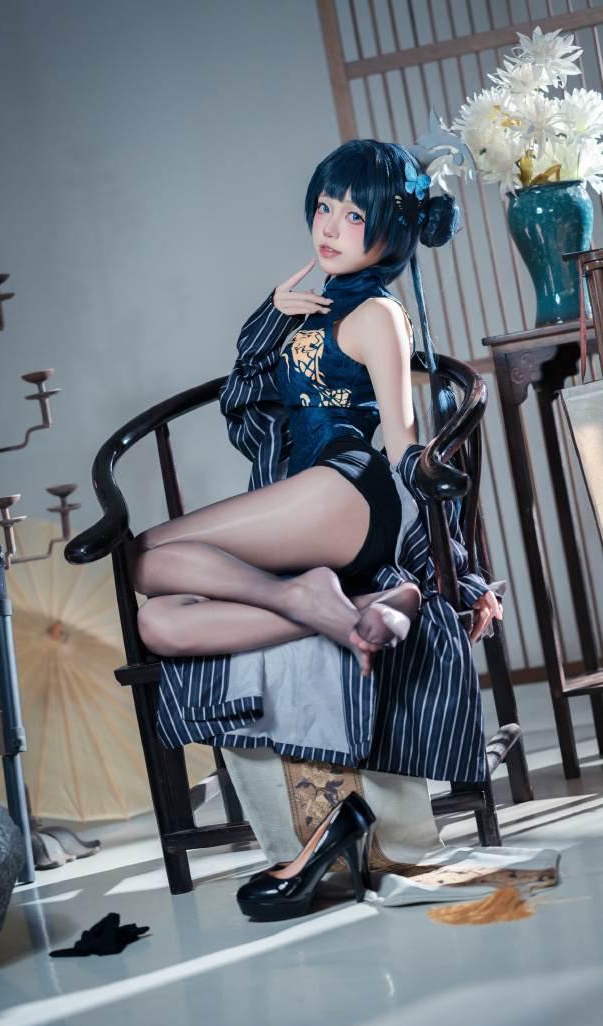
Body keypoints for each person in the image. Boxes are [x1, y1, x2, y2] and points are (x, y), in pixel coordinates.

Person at [127, 139, 502, 676]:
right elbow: (248, 395)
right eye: (325, 207)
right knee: (159, 621)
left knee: (142, 559)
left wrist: (462, 567)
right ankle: (345, 607)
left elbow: (405, 447)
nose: (329, 228)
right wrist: (274, 314)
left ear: (393, 230)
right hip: (306, 493)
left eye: (354, 216)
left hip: (346, 487)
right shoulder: (315, 310)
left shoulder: (378, 314)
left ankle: (307, 595)